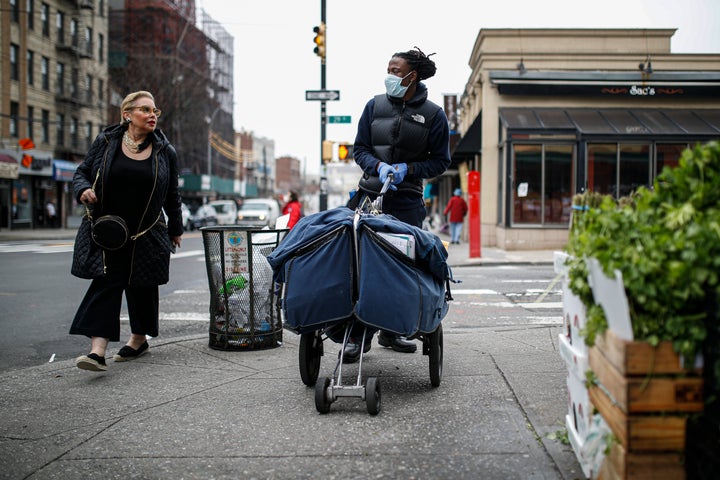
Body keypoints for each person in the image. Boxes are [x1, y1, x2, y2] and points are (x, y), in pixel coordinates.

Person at [344, 46, 451, 362]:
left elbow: (441, 161)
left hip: (406, 202)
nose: (389, 76)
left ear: (411, 76)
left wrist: (410, 169)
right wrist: (377, 167)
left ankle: (392, 330)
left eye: (395, 70)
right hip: (368, 197)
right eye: (388, 70)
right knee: (358, 264)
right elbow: (360, 149)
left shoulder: (434, 115)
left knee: (400, 266)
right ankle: (357, 334)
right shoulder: (373, 106)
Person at [70, 91, 183, 372]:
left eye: (155, 110)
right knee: (106, 284)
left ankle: (138, 339)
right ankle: (97, 352)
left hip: (147, 231)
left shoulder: (164, 151)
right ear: (127, 114)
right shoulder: (106, 143)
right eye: (145, 109)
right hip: (110, 231)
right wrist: (83, 189)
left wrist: (176, 229)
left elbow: (172, 194)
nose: (152, 114)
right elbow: (81, 172)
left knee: (142, 285)